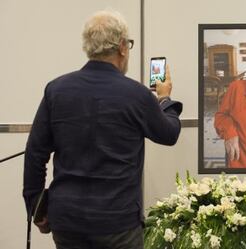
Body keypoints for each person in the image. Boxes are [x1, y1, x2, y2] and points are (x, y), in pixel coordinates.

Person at [23, 10, 182, 249]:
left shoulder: (56, 90)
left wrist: (35, 206)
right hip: (117, 222)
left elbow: (35, 154)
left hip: (68, 221)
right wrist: (165, 99)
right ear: (121, 47)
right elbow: (169, 134)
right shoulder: (136, 94)